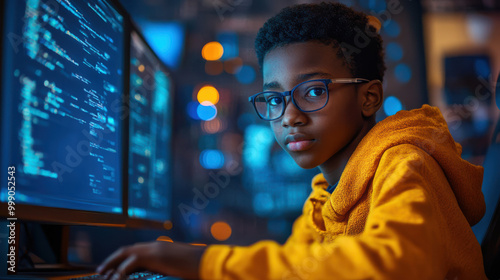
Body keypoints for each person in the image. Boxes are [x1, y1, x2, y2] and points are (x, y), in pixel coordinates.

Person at [97, 2, 487, 279]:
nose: (289, 116)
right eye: (274, 97)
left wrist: (203, 265)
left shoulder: (404, 164)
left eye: (314, 91)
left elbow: (397, 266)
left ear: (368, 97)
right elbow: (297, 263)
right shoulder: (325, 192)